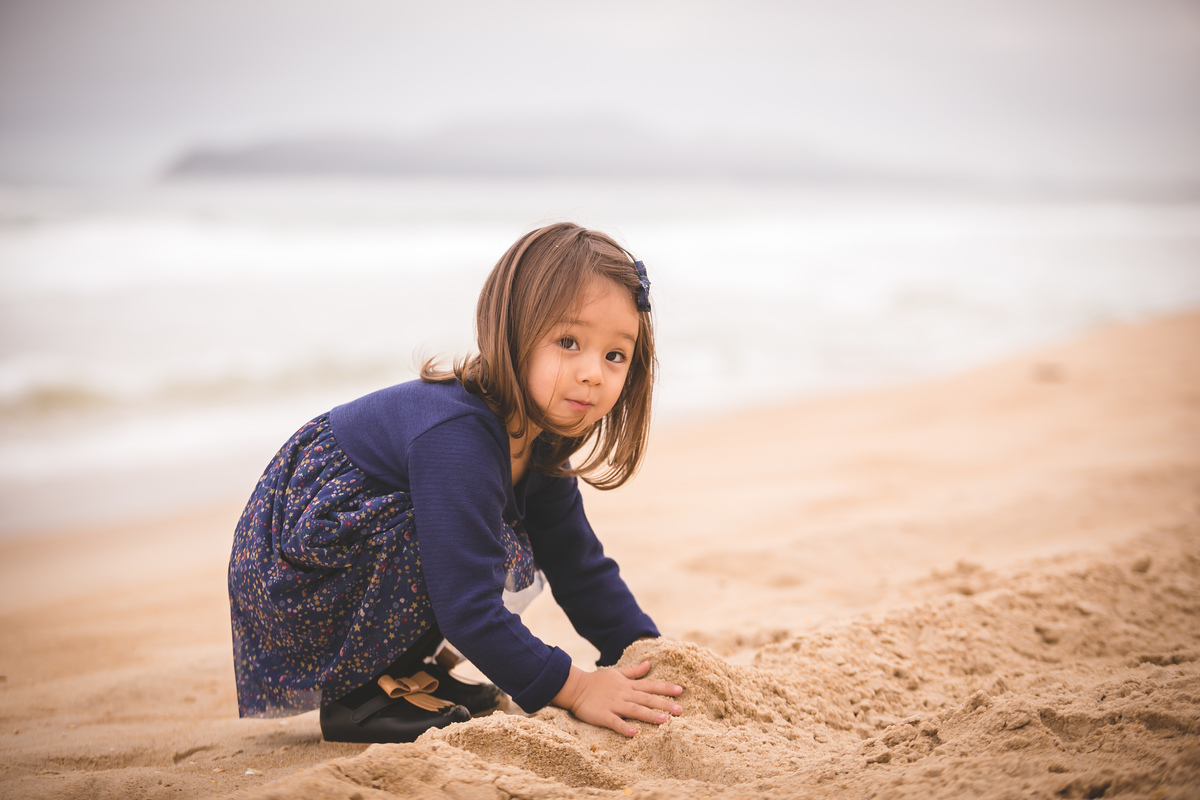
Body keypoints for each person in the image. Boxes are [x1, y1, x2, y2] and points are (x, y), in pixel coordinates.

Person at [228, 222, 684, 743]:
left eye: (614, 355)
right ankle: (359, 699)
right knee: (465, 543)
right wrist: (577, 688)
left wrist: (647, 655)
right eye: (568, 342)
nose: (593, 373)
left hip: (346, 564)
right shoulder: (459, 435)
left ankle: (408, 675)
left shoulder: (540, 441)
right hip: (296, 573)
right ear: (511, 332)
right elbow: (467, 608)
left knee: (488, 538)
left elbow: (578, 565)